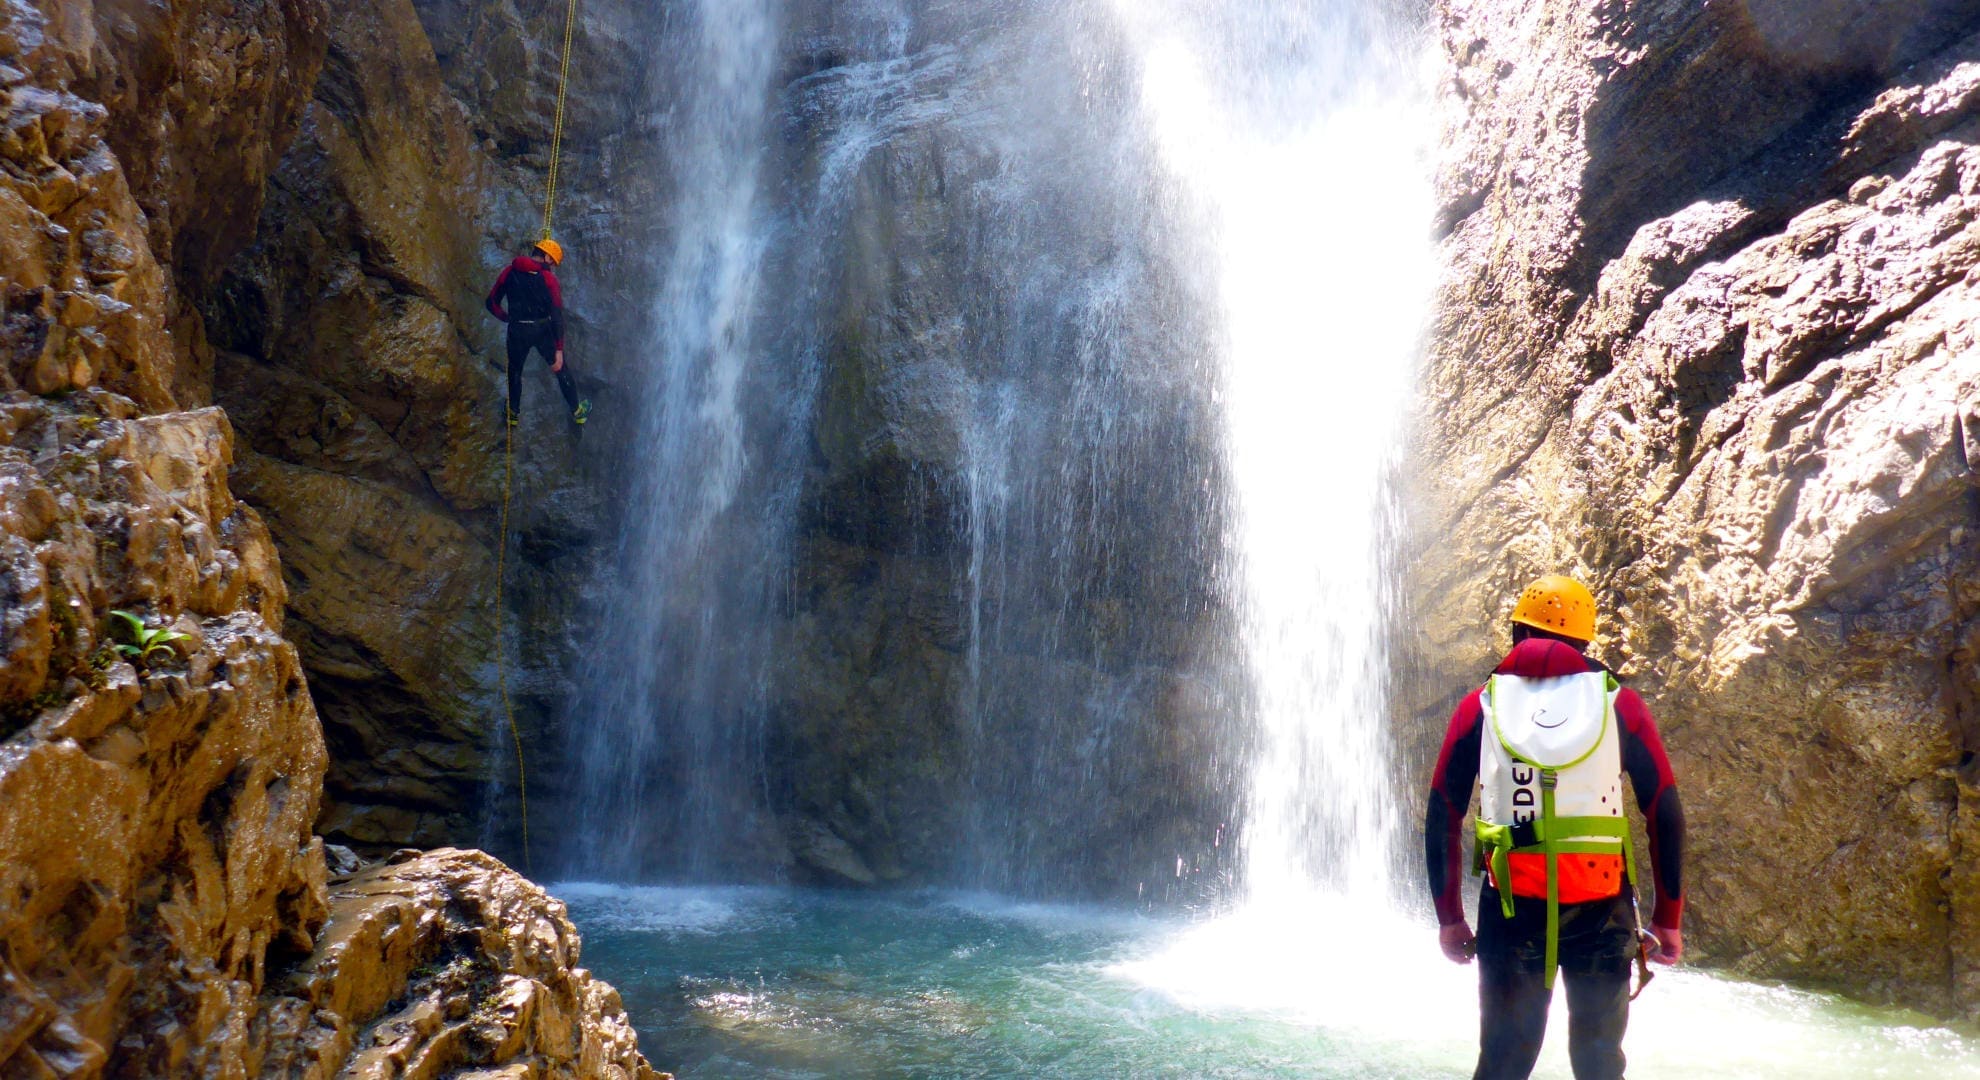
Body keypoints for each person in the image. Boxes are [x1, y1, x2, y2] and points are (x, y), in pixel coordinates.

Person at [1423, 574, 1686, 1080]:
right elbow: (1665, 811)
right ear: (1585, 640)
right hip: (1601, 907)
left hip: (1511, 908)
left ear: (1519, 631)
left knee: (1502, 1062)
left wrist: (1450, 917)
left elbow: (1442, 815)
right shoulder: (1618, 704)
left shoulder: (1481, 704)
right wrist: (1667, 918)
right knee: (1598, 1061)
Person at [486, 237, 590, 429]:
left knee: (515, 370)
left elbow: (491, 303)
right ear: (548, 258)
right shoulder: (548, 279)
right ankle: (577, 412)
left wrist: (506, 318)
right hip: (542, 330)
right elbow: (556, 314)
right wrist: (558, 349)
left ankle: (513, 414)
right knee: (560, 369)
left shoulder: (509, 272)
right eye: (553, 262)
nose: (553, 267)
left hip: (517, 329)